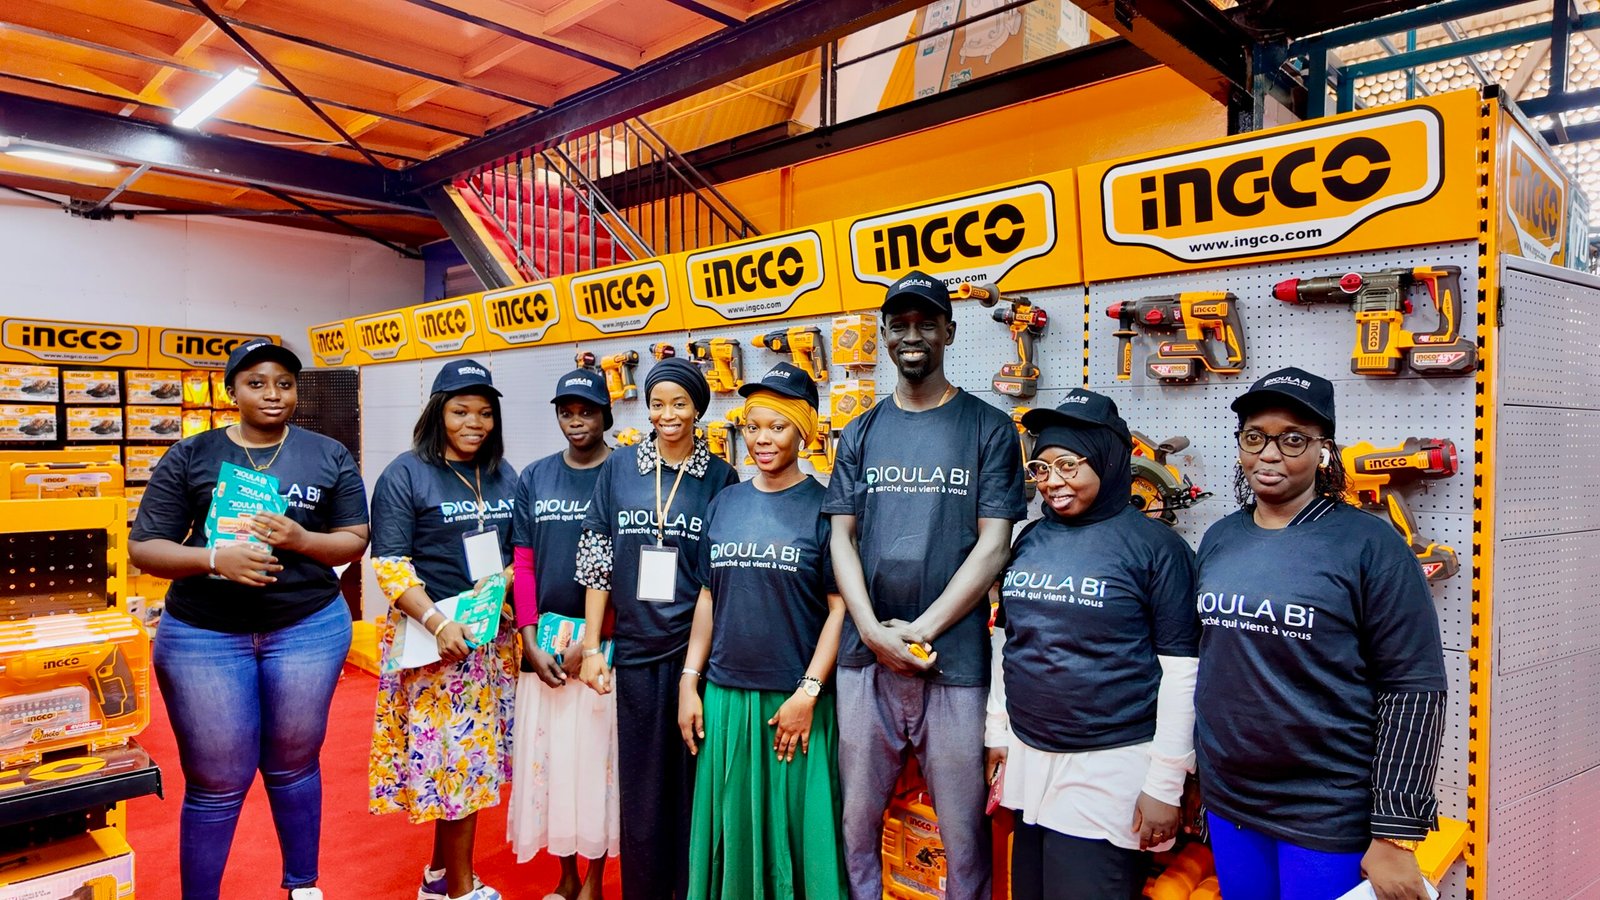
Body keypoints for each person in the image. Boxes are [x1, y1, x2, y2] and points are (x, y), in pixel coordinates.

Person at [130, 339, 369, 900]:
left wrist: (302, 539)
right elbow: (145, 547)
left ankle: (303, 886)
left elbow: (354, 539)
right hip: (204, 635)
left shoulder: (328, 454)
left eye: (284, 383)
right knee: (216, 779)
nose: (272, 394)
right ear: (231, 390)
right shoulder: (192, 454)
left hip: (307, 627)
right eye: (256, 383)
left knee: (295, 763)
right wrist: (215, 559)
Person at [1195, 368, 1446, 900]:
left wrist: (1395, 831)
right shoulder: (1220, 538)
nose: (1269, 455)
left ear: (1323, 450)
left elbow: (1414, 687)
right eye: (1254, 437)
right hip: (1232, 801)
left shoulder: (1369, 545)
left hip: (1327, 809)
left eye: (1292, 440)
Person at [823, 271, 1027, 900]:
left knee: (964, 832)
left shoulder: (989, 429)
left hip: (953, 661)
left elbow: (994, 545)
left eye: (926, 324)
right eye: (900, 325)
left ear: (949, 332)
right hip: (865, 661)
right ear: (884, 335)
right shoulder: (859, 431)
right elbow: (840, 538)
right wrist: (870, 631)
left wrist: (916, 634)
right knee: (856, 824)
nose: (912, 336)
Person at [985, 390, 1198, 900]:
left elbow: (1182, 673)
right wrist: (998, 731)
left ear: (1107, 460)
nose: (1052, 482)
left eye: (1068, 465)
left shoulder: (1158, 550)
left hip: (1110, 768)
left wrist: (1165, 784)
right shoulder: (1030, 537)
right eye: (1041, 468)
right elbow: (1007, 639)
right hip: (1030, 757)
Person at [678, 363, 850, 900]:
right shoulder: (725, 502)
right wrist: (689, 681)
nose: (762, 439)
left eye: (777, 426)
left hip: (795, 705)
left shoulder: (826, 508)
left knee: (799, 837)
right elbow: (708, 597)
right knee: (734, 834)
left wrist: (809, 692)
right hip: (727, 699)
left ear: (804, 431)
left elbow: (841, 609)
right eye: (753, 427)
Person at [576, 357, 741, 900]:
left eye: (679, 403)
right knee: (642, 791)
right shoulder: (620, 469)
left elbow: (718, 577)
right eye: (657, 403)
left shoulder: (720, 477)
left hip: (696, 656)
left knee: (693, 788)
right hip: (636, 652)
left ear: (698, 409)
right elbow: (597, 559)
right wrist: (593, 647)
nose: (667, 414)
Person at [368, 359, 519, 900]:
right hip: (435, 641)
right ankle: (460, 890)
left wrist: (503, 587)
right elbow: (390, 565)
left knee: (468, 759)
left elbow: (516, 551)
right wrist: (438, 621)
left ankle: (437, 878)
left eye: (484, 413)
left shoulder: (502, 473)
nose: (474, 423)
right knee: (459, 762)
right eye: (460, 411)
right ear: (437, 413)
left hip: (491, 640)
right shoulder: (405, 473)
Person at [507, 369, 619, 899]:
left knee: (596, 769)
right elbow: (524, 563)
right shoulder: (536, 476)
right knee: (551, 769)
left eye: (587, 411)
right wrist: (529, 639)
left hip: (604, 650)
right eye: (566, 412)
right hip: (546, 650)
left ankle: (594, 882)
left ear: (606, 415)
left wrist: (594, 643)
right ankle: (566, 878)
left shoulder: (623, 472)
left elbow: (628, 567)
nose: (576, 421)